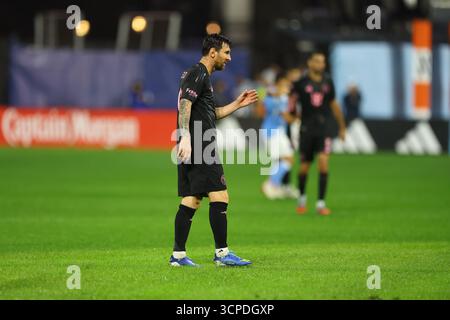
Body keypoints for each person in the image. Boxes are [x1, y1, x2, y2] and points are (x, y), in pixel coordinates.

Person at [171, 34, 258, 267]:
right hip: (200, 142)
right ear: (213, 52)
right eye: (226, 52)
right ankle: (222, 254)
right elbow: (184, 105)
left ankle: (178, 256)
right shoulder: (198, 73)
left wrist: (237, 105)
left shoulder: (200, 76)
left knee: (192, 198)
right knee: (220, 195)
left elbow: (212, 113)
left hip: (195, 140)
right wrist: (187, 137)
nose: (229, 58)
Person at [289, 52, 346, 215]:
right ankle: (302, 199)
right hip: (307, 128)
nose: (320, 64)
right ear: (310, 63)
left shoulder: (328, 81)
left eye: (322, 61)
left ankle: (321, 203)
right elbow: (292, 103)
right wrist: (291, 116)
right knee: (304, 168)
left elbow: (334, 104)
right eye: (317, 61)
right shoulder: (300, 83)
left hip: (324, 128)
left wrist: (342, 126)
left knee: (323, 162)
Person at [261, 73, 299, 200]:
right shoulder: (275, 97)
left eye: (287, 85)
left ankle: (276, 186)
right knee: (287, 159)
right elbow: (285, 116)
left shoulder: (280, 98)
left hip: (277, 132)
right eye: (283, 84)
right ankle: (271, 184)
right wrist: (297, 119)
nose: (286, 87)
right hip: (272, 132)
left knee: (283, 160)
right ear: (277, 85)